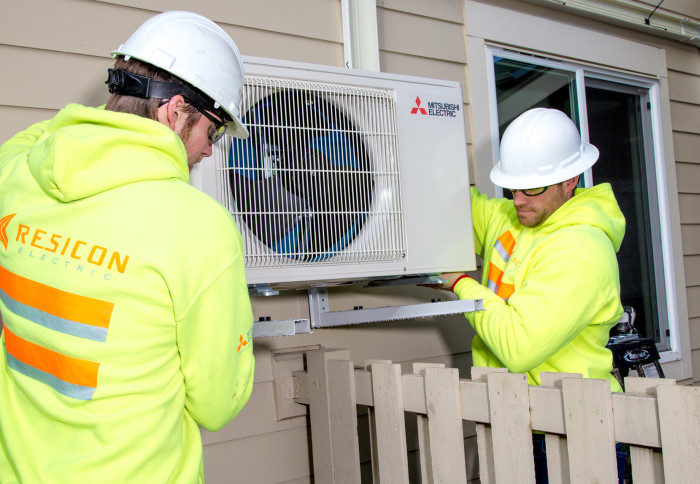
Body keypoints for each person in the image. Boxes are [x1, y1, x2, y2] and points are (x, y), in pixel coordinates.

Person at [0, 11, 254, 483]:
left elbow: (37, 137)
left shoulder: (16, 175)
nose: (209, 149)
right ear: (175, 111)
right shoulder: (198, 228)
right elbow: (218, 403)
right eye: (213, 130)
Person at [433, 108, 627, 483]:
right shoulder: (509, 216)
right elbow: (449, 202)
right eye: (512, 186)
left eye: (532, 188)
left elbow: (519, 345)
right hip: (514, 419)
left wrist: (460, 283)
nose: (518, 199)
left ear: (570, 181)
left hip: (573, 432)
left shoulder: (581, 250)